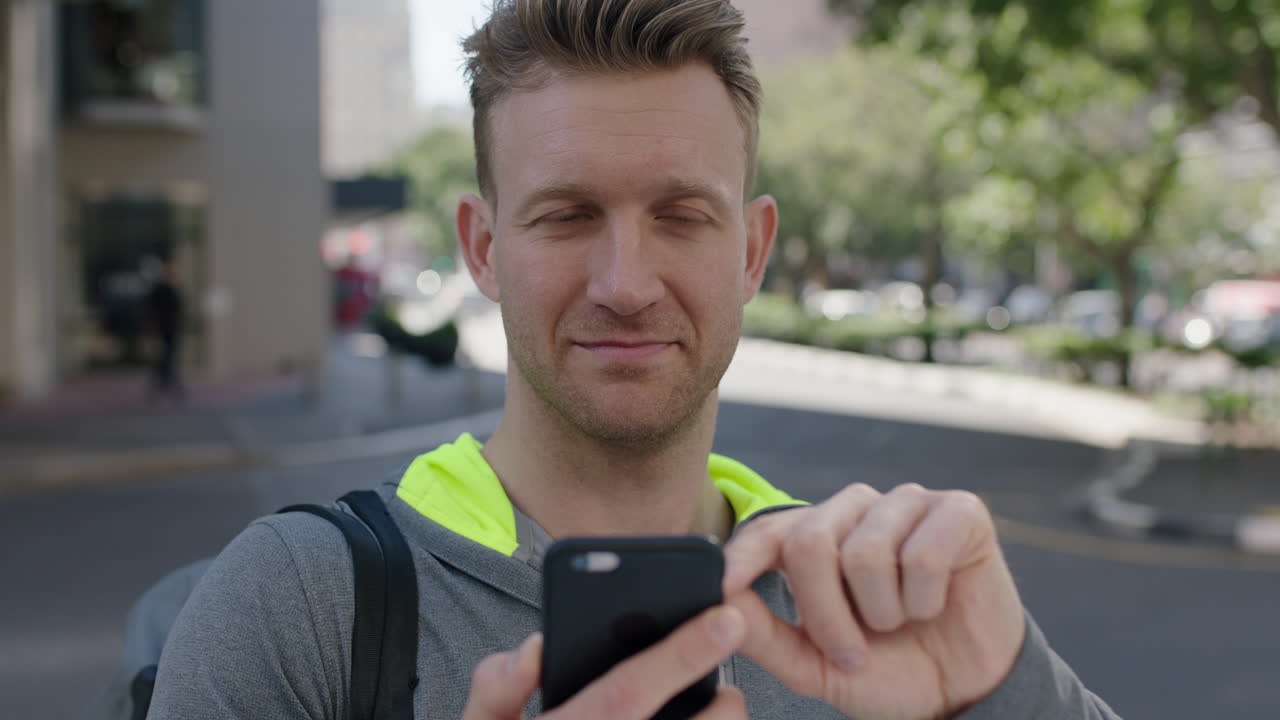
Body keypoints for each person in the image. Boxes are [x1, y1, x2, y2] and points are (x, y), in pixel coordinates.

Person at [147, 1, 1120, 718]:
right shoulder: (300, 603)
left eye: (679, 216)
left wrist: (1006, 683)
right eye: (567, 216)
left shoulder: (868, 609)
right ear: (481, 247)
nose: (625, 281)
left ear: (749, 250)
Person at [145, 259, 185, 402]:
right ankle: (167, 386)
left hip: (171, 330)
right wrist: (154, 327)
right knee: (165, 359)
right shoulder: (160, 290)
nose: (173, 275)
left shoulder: (172, 289)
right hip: (163, 330)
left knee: (167, 359)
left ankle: (166, 386)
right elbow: (152, 310)